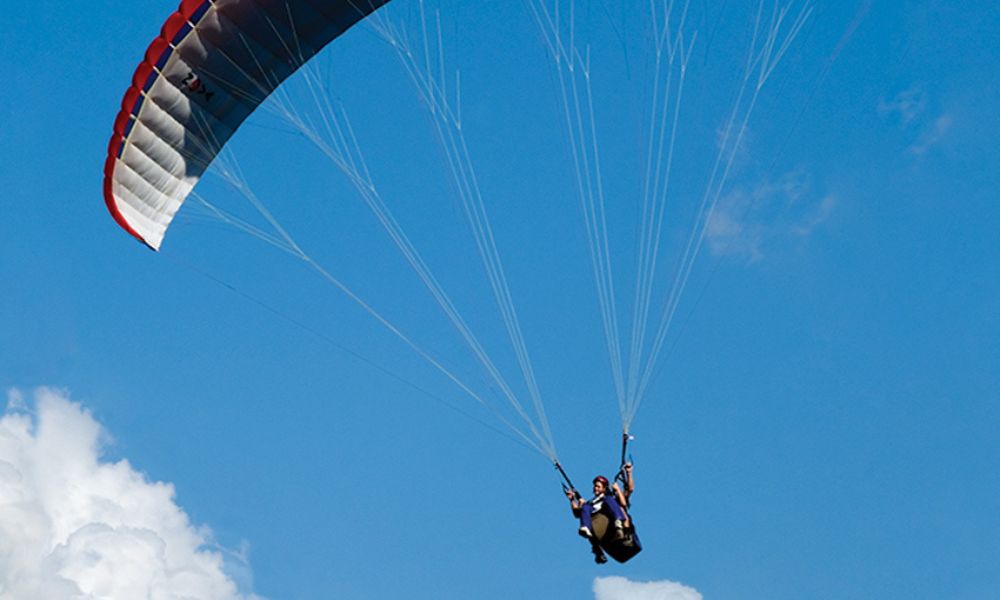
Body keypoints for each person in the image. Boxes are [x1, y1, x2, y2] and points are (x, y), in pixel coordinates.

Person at [565, 471, 632, 564]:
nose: (595, 488)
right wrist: (572, 500)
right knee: (585, 507)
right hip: (599, 526)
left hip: (613, 521)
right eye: (595, 486)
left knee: (609, 499)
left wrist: (618, 489)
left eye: (598, 486)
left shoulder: (610, 498)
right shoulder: (590, 503)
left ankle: (619, 525)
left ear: (604, 488)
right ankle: (591, 539)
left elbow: (625, 501)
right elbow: (577, 514)